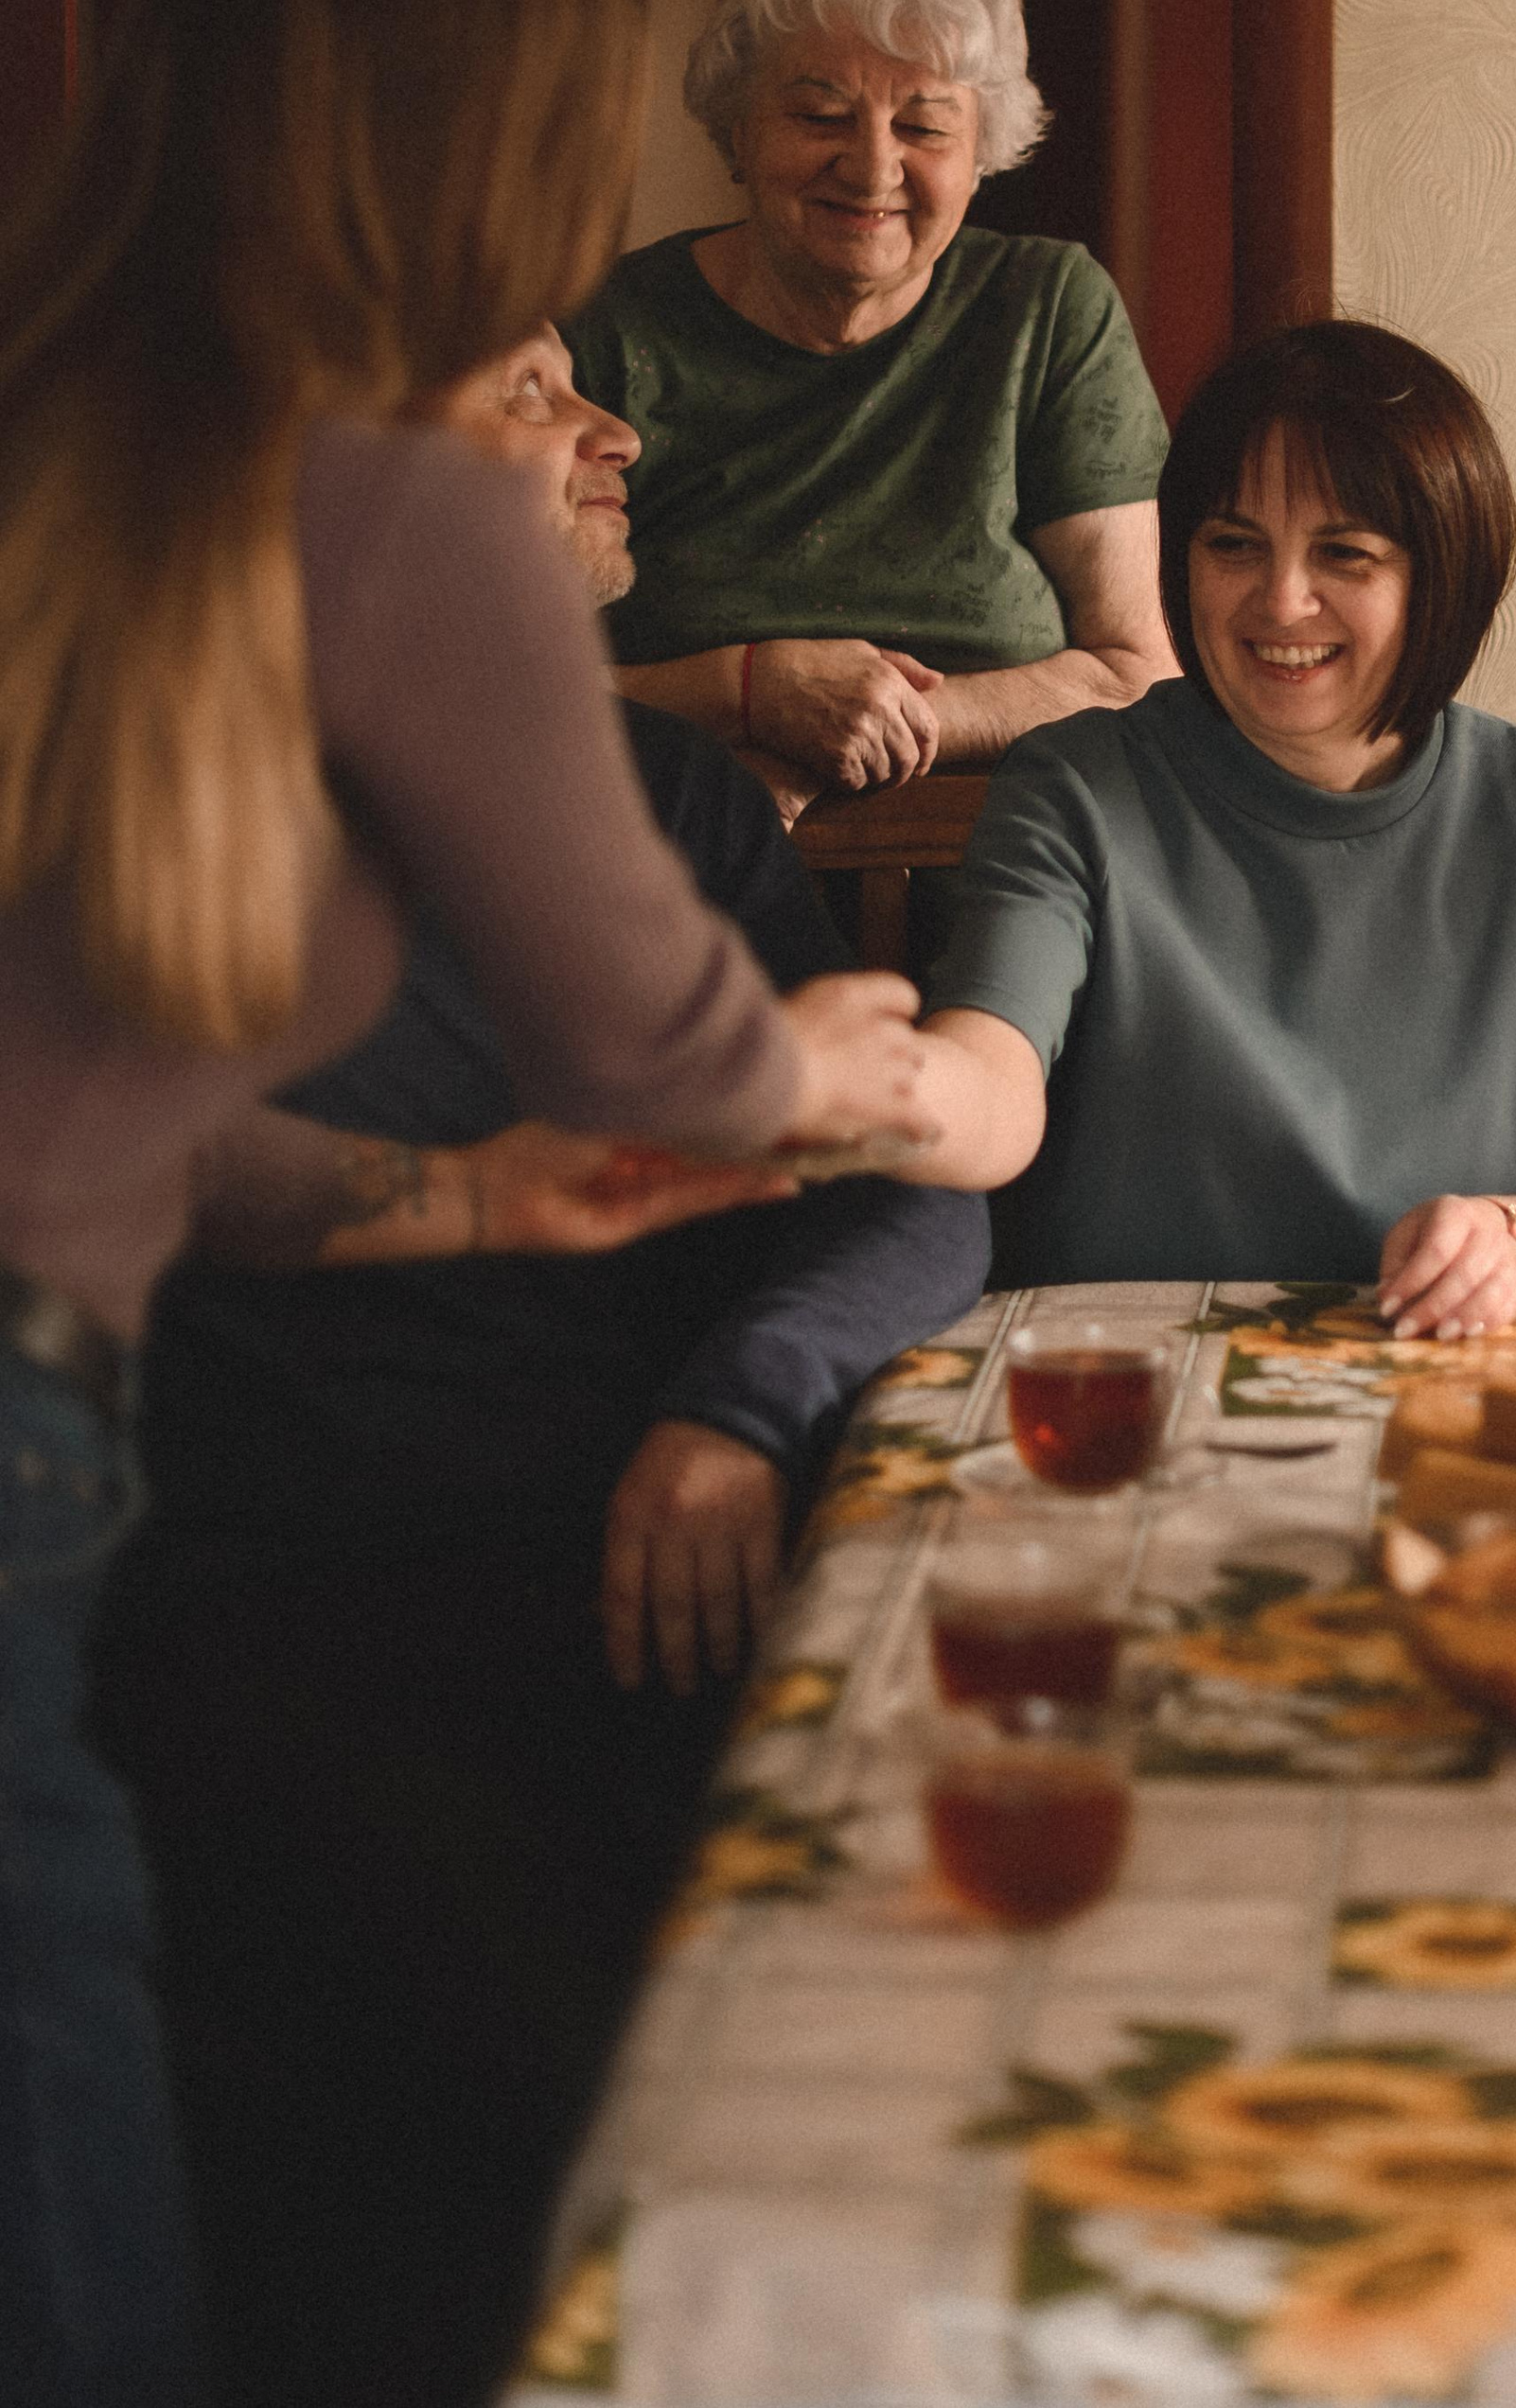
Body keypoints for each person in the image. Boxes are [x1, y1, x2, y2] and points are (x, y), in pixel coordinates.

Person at [0, 0, 931, 2408]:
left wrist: (458, 1192)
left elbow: (113, 1113)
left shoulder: (89, 438)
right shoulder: (404, 513)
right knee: (72, 2226)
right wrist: (847, 1064)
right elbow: (673, 1046)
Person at [88, 325, 988, 2408]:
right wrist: (481, 1194)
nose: (616, 437)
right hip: (293, 1592)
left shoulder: (663, 795)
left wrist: (732, 1404)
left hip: (662, 1560)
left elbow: (910, 1188)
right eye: (528, 394)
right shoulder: (179, 788)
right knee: (590, 2095)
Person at [891, 321, 1516, 1326]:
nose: (1281, 601)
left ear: (1440, 578)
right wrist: (882, 1092)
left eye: (1345, 555)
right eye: (1233, 545)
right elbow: (992, 1070)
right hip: (1118, 1381)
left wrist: (1506, 1232)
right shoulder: (1075, 785)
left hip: (1429, 1372)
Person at [566, 0, 1175, 803]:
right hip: (688, 904)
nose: (873, 166)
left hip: (1012, 901)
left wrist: (885, 721)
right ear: (736, 123)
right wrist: (749, 694)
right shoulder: (600, 336)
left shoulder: (1046, 313)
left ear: (986, 147)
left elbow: (1133, 672)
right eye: (820, 113)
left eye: (924, 125)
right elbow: (499, 687)